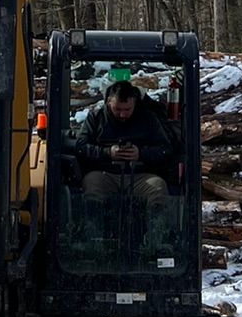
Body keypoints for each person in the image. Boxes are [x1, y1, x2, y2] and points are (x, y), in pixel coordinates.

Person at [69, 68, 179, 223]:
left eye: (127, 110)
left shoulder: (148, 118)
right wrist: (107, 153)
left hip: (140, 175)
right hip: (104, 174)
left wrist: (140, 153)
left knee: (158, 188)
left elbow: (165, 149)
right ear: (108, 102)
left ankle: (156, 239)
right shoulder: (96, 117)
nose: (122, 114)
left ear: (134, 102)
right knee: (91, 187)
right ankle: (92, 234)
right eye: (117, 109)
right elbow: (81, 146)